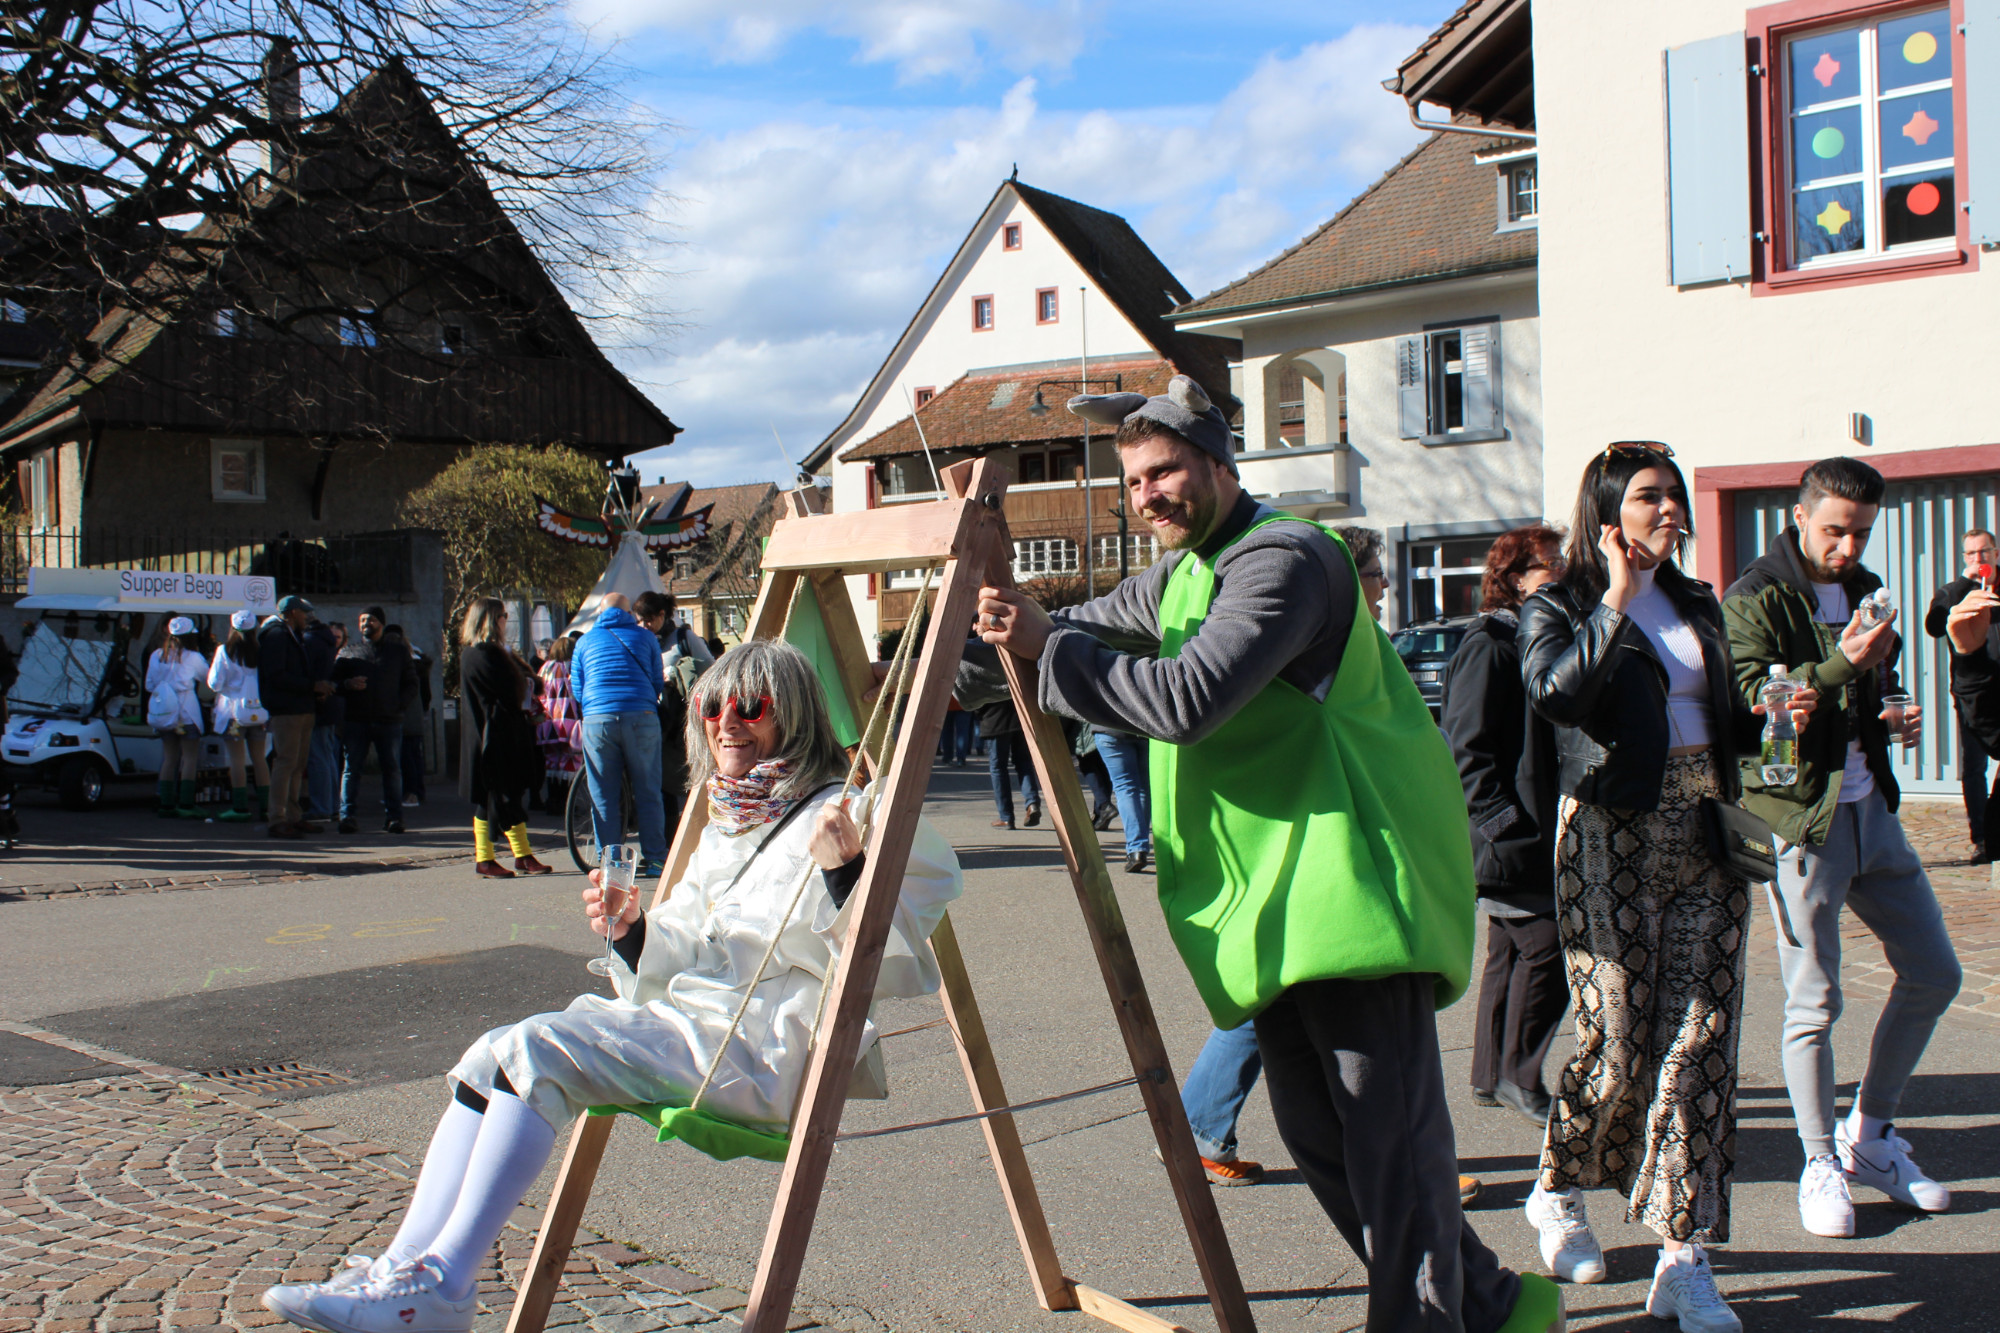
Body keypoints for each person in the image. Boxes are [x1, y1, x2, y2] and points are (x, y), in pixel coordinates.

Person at [973, 375, 1557, 1332]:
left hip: (1351, 888)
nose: (1147, 494)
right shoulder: (1185, 570)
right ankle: (1491, 1302)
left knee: (1389, 1146)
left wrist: (1049, 644)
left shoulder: (1282, 558)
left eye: (1164, 471)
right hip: (1277, 906)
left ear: (1217, 462)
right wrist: (979, 638)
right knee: (1323, 1138)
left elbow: (1187, 699)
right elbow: (1083, 629)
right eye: (1133, 480)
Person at [259, 641, 962, 1333]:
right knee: (488, 1052)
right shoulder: (730, 818)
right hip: (693, 1025)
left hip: (760, 1048)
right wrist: (632, 929)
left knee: (536, 1049)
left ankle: (443, 1287)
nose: (727, 722)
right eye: (711, 706)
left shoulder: (854, 812)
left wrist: (846, 871)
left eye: (751, 705)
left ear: (797, 714)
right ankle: (401, 1269)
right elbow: (685, 944)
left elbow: (891, 963)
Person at [1519, 442, 1813, 1332]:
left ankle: (1683, 1257)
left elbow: (1722, 722)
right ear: (1608, 510)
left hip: (1707, 829)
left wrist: (1774, 720)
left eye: (1676, 495)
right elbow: (1558, 695)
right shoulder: (1559, 603)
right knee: (1616, 1041)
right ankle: (1557, 1188)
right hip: (1609, 832)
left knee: (1701, 1041)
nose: (1670, 509)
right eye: (1650, 495)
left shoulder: (1699, 604)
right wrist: (1614, 595)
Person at [1164, 510, 1484, 1203]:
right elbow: (1191, 703)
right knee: (1350, 1073)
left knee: (1284, 1025)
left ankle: (1206, 1125)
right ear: (1342, 572)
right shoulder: (1308, 620)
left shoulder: (1352, 633)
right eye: (1373, 574)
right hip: (1327, 873)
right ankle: (1419, 1203)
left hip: (1321, 874)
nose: (1383, 587)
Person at [1722, 455, 1961, 1240]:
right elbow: (1756, 701)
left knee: (1935, 972)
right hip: (1802, 818)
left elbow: (1870, 687)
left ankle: (1872, 1134)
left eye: (1860, 532)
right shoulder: (1755, 594)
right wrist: (1840, 663)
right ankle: (1818, 1158)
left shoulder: (1866, 589)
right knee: (1815, 998)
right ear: (1799, 515)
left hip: (1871, 811)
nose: (1848, 547)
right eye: (1834, 530)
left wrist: (1890, 710)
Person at [1443, 527, 1569, 1126]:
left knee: (1509, 951)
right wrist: (1503, 825)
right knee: (1549, 947)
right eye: (1549, 563)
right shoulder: (1491, 643)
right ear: (1517, 579)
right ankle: (1521, 1076)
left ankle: (1489, 1075)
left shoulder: (1531, 636)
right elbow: (1466, 747)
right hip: (1511, 834)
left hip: (1528, 827)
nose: (1561, 570)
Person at [572, 591, 670, 873]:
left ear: (599, 613)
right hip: (641, 716)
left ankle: (611, 863)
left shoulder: (584, 641)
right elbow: (657, 680)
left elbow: (578, 688)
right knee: (649, 791)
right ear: (629, 613)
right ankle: (655, 858)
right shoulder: (646, 638)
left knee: (603, 795)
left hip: (598, 719)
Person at [458, 597, 551, 878]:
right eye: (503, 617)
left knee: (498, 796)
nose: (505, 622)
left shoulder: (472, 653)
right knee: (501, 795)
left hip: (486, 732)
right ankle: (491, 858)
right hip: (497, 734)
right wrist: (528, 682)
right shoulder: (488, 654)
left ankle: (518, 855)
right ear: (491, 620)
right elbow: (512, 690)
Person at [1925, 527, 2000, 860]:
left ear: (1996, 553)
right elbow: (1934, 625)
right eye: (1971, 553)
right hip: (1974, 696)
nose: (1978, 558)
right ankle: (1982, 838)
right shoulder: (1955, 592)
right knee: (1974, 766)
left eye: (1984, 551)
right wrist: (1964, 581)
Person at [334, 606, 419, 835]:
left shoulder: (397, 652)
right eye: (362, 620)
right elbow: (333, 683)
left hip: (388, 720)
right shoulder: (349, 652)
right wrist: (347, 684)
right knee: (351, 769)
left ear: (381, 623)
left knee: (391, 770)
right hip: (356, 720)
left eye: (370, 619)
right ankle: (347, 816)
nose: (365, 624)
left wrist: (398, 705)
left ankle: (394, 817)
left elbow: (412, 683)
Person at [258, 596, 329, 838]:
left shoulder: (293, 635)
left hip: (302, 707)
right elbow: (277, 675)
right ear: (290, 613)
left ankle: (293, 815)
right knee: (286, 763)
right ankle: (277, 818)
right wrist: (311, 686)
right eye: (302, 612)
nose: (307, 616)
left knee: (298, 765)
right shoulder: (276, 636)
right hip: (286, 709)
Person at [209, 609, 271, 823]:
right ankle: (266, 807)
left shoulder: (224, 651)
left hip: (232, 713)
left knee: (236, 760)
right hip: (259, 711)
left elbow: (214, 683)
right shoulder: (262, 650)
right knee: (259, 759)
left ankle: (240, 807)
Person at [146, 616, 207, 818]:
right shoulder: (193, 657)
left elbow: (148, 685)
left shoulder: (156, 655)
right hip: (187, 711)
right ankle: (186, 803)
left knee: (169, 758)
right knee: (189, 758)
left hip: (164, 712)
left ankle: (166, 803)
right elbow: (208, 678)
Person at [1092, 724, 1149, 873]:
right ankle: (1140, 848)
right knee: (1143, 789)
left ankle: (1136, 849)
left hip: (1108, 728)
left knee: (1125, 787)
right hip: (1144, 728)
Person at [536, 635, 584, 808]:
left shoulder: (545, 668)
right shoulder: (572, 667)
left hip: (548, 722)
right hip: (569, 721)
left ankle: (552, 800)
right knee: (569, 761)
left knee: (551, 761)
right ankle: (566, 803)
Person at [304, 617, 344, 822]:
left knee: (318, 757)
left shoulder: (310, 642)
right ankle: (333, 805)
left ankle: (322, 807)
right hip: (329, 707)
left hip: (318, 706)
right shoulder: (326, 643)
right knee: (327, 757)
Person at [385, 625, 431, 808]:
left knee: (405, 757)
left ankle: (410, 793)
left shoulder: (401, 663)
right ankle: (415, 792)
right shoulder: (417, 660)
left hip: (403, 715)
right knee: (413, 755)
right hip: (415, 715)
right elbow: (426, 693)